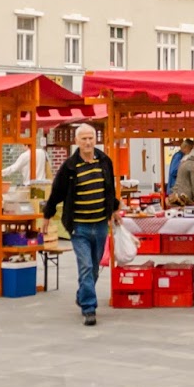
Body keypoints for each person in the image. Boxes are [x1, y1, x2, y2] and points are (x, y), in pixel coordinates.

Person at [44, 123, 121, 326]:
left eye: (91, 138)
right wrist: (47, 215)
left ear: (95, 139)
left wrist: (114, 209)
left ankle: (82, 294)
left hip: (100, 224)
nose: (88, 142)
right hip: (79, 226)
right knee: (86, 266)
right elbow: (57, 192)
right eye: (84, 139)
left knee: (94, 268)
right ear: (76, 141)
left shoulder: (104, 161)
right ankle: (89, 308)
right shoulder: (70, 166)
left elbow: (110, 189)